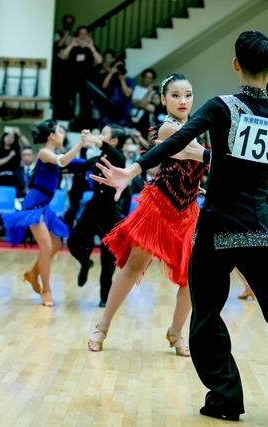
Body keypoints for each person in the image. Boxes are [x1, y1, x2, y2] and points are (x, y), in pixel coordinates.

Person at [88, 31, 268, 424]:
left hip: (217, 227)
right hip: (261, 229)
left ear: (235, 65)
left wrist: (132, 169)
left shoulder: (221, 106)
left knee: (206, 315)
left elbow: (179, 140)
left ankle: (225, 397)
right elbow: (244, 166)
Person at [86, 74, 207, 357]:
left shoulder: (196, 128)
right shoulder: (168, 127)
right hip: (159, 207)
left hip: (188, 211)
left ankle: (176, 333)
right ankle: (102, 326)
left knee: (192, 275)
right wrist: (225, 156)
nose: (183, 100)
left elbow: (192, 163)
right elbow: (194, 154)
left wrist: (194, 184)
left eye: (188, 95)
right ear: (163, 100)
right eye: (175, 95)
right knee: (133, 266)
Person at [2, 120, 85, 307]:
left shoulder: (53, 154)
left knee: (55, 244)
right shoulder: (44, 153)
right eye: (60, 132)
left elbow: (72, 162)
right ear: (51, 136)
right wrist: (81, 143)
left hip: (43, 205)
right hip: (33, 206)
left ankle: (33, 274)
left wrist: (94, 162)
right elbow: (64, 161)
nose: (62, 135)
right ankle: (46, 291)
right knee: (46, 247)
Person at [67, 124, 126, 308]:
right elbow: (76, 166)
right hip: (93, 207)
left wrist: (92, 139)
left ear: (114, 141)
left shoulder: (119, 159)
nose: (100, 136)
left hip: (110, 210)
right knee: (73, 241)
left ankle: (104, 297)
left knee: (108, 257)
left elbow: (113, 153)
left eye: (103, 134)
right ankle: (85, 263)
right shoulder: (97, 158)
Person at [57, 26, 102, 128]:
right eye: (80, 34)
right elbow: (63, 56)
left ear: (88, 35)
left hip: (87, 79)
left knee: (85, 103)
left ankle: (84, 125)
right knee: (66, 100)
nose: (83, 36)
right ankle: (68, 121)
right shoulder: (73, 47)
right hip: (72, 78)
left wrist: (91, 47)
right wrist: (72, 44)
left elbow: (99, 61)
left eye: (85, 34)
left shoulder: (92, 48)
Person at [101, 59, 135, 127]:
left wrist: (122, 80)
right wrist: (111, 73)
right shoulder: (112, 79)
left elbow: (127, 93)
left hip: (123, 112)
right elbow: (104, 86)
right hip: (109, 111)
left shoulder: (130, 80)